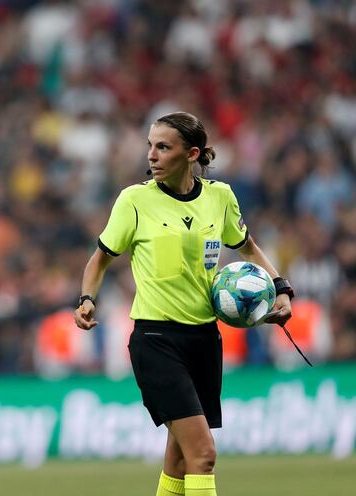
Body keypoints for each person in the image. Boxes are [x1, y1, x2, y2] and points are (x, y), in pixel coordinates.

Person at [74, 112, 294, 496]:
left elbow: (248, 248)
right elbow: (100, 259)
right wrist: (87, 299)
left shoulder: (220, 197)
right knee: (203, 453)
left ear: (192, 153)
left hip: (205, 339)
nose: (152, 156)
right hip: (156, 339)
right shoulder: (135, 200)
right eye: (150, 147)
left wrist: (281, 289)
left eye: (163, 147)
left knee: (179, 457)